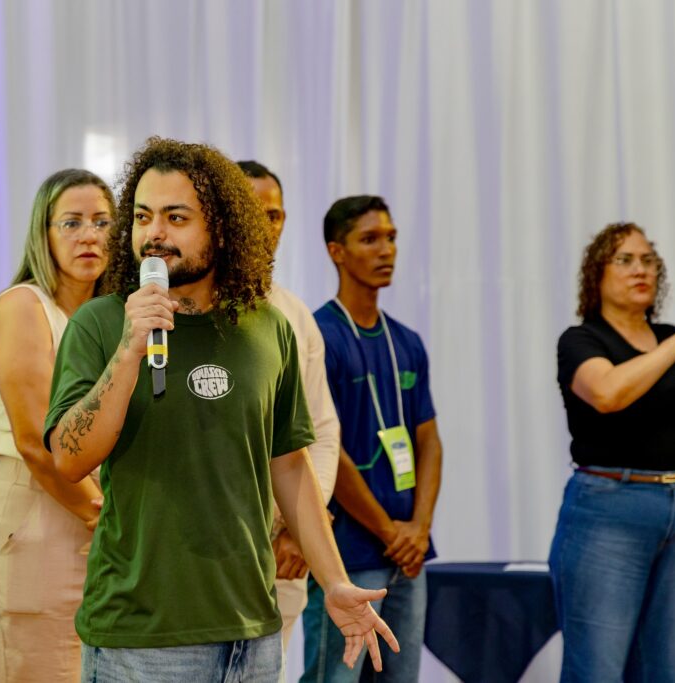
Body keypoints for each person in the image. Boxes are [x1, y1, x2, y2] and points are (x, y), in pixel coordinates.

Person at [43, 137, 398, 682]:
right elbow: (69, 459)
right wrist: (129, 350)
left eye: (175, 217)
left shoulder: (269, 327)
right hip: (143, 639)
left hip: (253, 635)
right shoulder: (101, 323)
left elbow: (290, 466)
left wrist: (335, 581)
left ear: (223, 229)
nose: (154, 233)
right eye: (142, 216)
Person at [0, 169, 113, 682]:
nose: (89, 235)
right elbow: (36, 442)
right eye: (71, 223)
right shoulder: (24, 306)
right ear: (44, 234)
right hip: (40, 512)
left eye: (102, 222)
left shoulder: (117, 318)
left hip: (103, 513)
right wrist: (107, 520)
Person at [303, 195, 443, 682]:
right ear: (336, 251)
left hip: (409, 554)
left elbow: (429, 440)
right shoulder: (319, 337)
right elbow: (325, 450)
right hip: (349, 553)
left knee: (400, 676)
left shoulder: (407, 341)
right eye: (370, 239)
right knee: (335, 678)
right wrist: (389, 532)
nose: (386, 250)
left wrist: (419, 529)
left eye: (391, 238)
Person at [549, 222, 675, 682]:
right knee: (598, 671)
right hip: (609, 509)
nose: (640, 269)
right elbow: (608, 393)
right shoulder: (582, 340)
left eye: (648, 260)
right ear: (597, 274)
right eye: (625, 260)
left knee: (666, 670)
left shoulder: (671, 336)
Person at [237, 160, 341, 647]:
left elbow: (322, 430)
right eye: (251, 212)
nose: (264, 227)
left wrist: (301, 527)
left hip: (281, 550)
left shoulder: (295, 315)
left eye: (274, 215)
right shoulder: (176, 305)